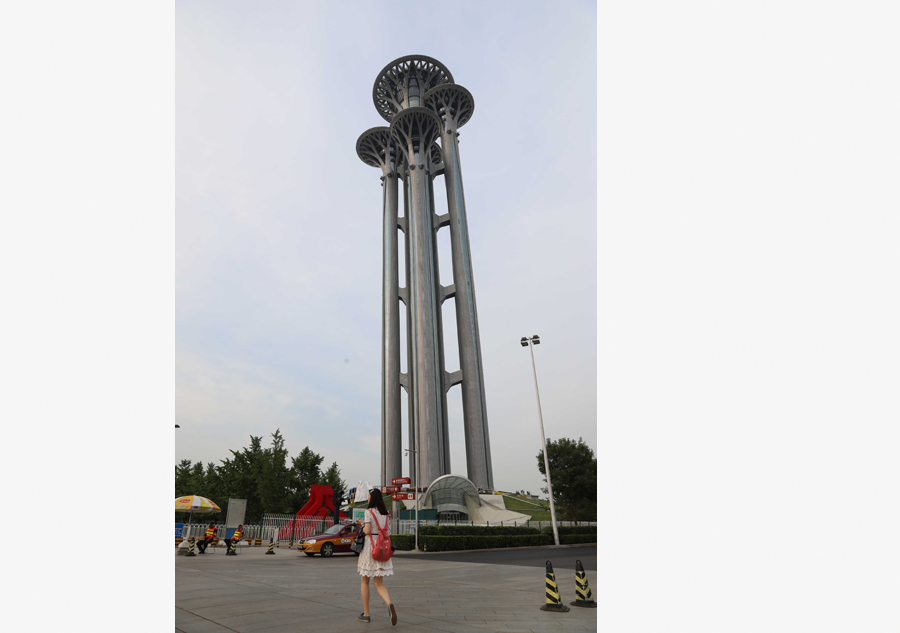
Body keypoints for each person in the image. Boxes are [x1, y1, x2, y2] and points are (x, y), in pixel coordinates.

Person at [356, 488, 396, 625]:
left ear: (372, 498)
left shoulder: (369, 512)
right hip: (382, 549)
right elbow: (384, 530)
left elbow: (367, 531)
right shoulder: (386, 513)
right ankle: (389, 603)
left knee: (364, 581)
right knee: (379, 583)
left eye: (368, 496)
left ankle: (366, 614)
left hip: (370, 548)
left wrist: (361, 525)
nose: (367, 498)